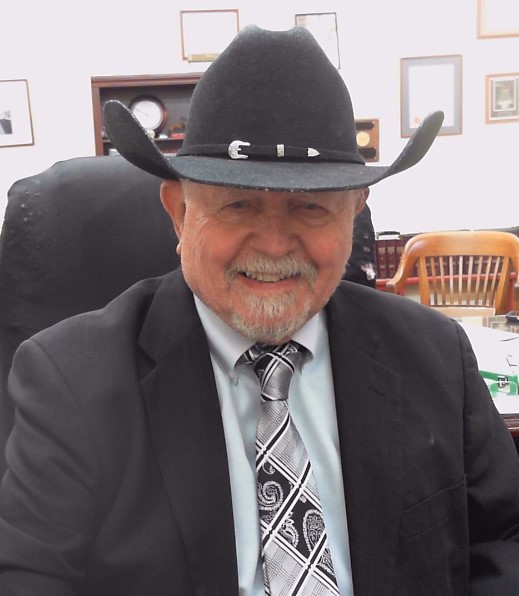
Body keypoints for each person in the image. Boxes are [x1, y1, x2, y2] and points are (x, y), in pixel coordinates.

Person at [0, 25, 518, 596]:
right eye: (239, 205)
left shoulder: (435, 356)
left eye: (310, 208)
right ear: (179, 213)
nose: (274, 245)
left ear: (354, 213)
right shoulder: (71, 382)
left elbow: (504, 539)